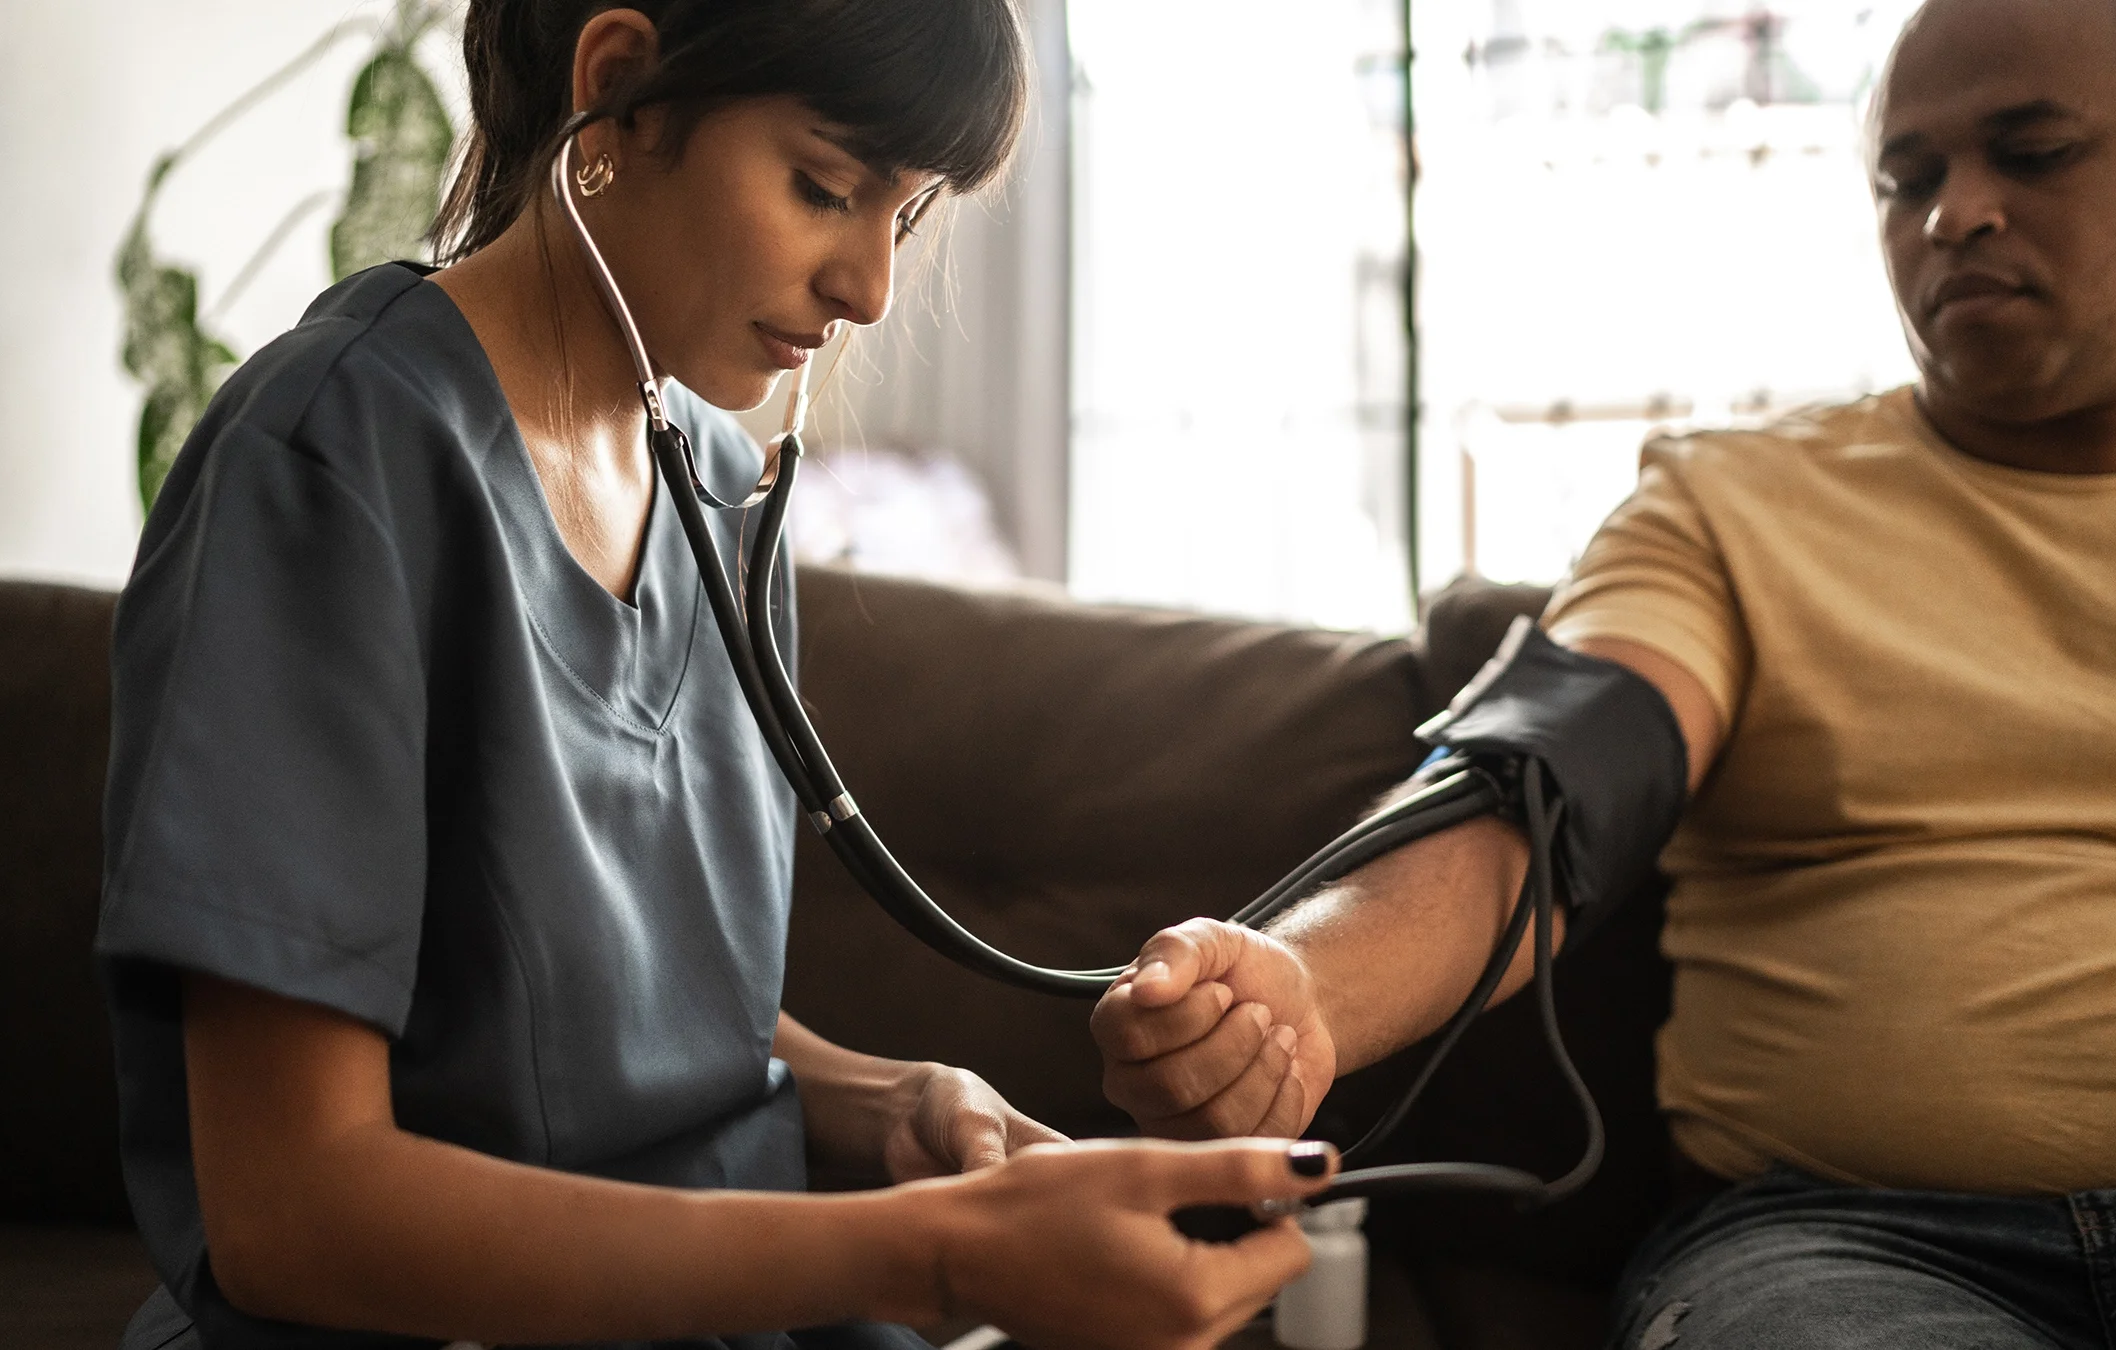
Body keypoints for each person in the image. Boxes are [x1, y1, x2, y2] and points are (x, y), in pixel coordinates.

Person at [94, 4, 1338, 1349]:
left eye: (904, 218)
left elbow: (627, 1034)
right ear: (618, 92)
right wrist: (934, 1255)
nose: (869, 287)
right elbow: (296, 1208)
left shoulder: (721, 488)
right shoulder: (330, 460)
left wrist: (887, 1100)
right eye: (824, 188)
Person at [1088, 0, 2116, 1344]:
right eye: (1908, 180)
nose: (1955, 214)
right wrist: (1303, 989)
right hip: (1848, 1245)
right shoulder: (1735, 507)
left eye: (2031, 154)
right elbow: (1543, 788)